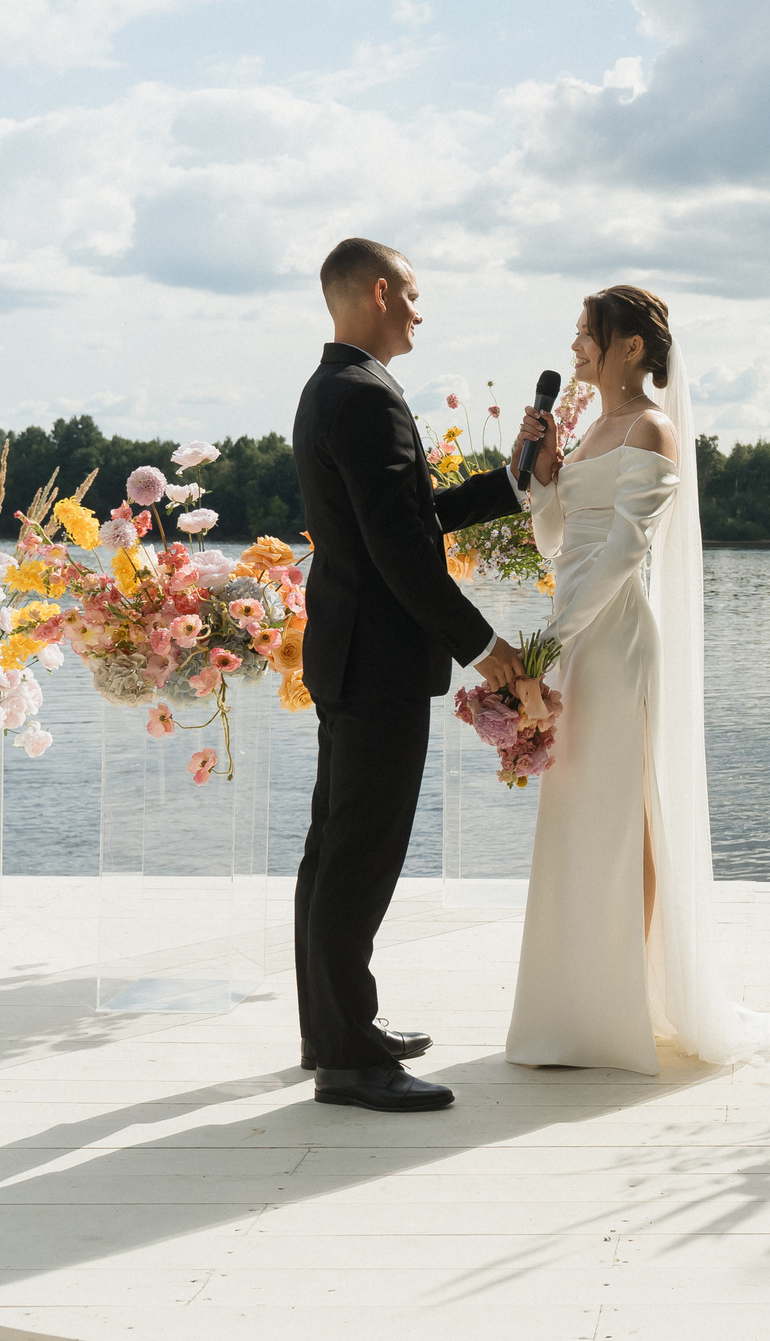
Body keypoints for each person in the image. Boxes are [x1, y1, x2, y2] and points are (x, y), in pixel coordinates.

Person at [504, 284, 770, 1072]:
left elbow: (621, 553)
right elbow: (553, 540)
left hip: (611, 639)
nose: (575, 346)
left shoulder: (652, 427)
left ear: (631, 346)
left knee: (621, 816)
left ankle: (620, 1010)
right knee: (574, 815)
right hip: (569, 633)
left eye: (588, 332)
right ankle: (570, 1006)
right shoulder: (585, 430)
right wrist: (539, 475)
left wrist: (550, 645)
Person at [291, 237, 556, 1112]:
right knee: (359, 855)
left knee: (335, 846)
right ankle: (350, 1061)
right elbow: (399, 547)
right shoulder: (365, 395)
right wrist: (484, 646)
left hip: (349, 652)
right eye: (410, 292)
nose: (417, 309)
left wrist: (509, 482)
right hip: (378, 661)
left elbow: (411, 514)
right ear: (377, 290)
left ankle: (334, 1029)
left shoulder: (332, 386)